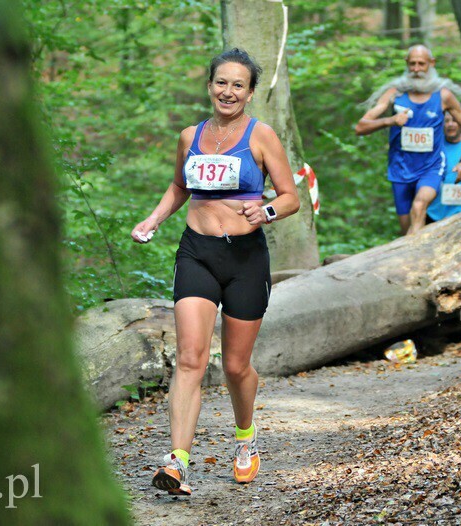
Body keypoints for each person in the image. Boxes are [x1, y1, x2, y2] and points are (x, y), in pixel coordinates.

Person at [130, 48, 300, 496]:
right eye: (221, 82)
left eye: (238, 85)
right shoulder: (190, 136)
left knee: (236, 366)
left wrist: (265, 211)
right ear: (209, 86)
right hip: (197, 253)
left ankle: (245, 436)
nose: (228, 91)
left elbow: (290, 197)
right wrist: (153, 219)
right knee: (190, 358)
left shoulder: (262, 136)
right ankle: (178, 462)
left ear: (249, 92)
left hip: (245, 259)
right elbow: (179, 185)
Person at [355, 44, 461, 236]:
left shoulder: (443, 95)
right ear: (406, 64)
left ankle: (415, 252)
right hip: (400, 169)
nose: (416, 69)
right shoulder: (395, 94)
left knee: (419, 206)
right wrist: (390, 120)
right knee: (407, 230)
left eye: (421, 64)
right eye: (412, 64)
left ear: (431, 63)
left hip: (431, 167)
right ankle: (419, 250)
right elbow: (361, 127)